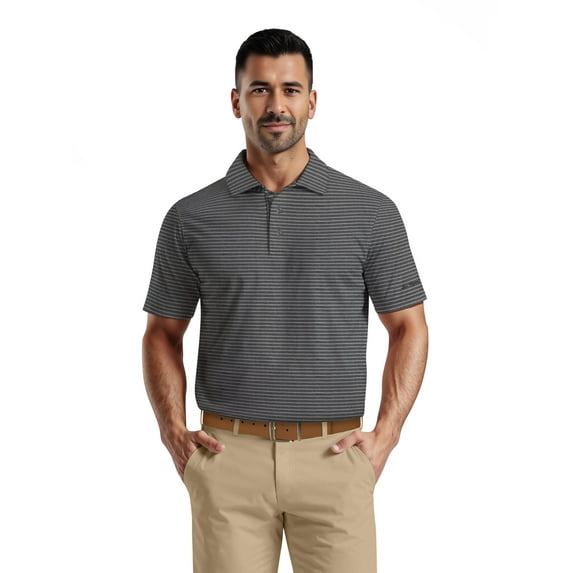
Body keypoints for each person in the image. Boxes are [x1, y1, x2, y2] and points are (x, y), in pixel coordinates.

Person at [142, 28, 428, 573]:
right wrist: (173, 433)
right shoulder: (190, 218)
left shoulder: (370, 212)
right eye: (260, 89)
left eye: (291, 90)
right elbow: (162, 332)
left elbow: (409, 325)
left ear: (312, 102)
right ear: (236, 102)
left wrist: (387, 435)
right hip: (227, 459)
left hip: (334, 459)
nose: (276, 105)